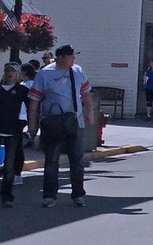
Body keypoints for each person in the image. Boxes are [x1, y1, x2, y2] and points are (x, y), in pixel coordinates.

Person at [27, 44, 93, 208]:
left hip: (74, 122)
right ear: (61, 57)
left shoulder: (77, 70)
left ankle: (78, 194)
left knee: (77, 160)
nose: (74, 59)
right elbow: (34, 101)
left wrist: (90, 112)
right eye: (71, 56)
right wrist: (32, 125)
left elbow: (86, 93)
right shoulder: (44, 74)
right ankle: (50, 196)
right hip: (53, 123)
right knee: (51, 160)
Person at [1, 62, 30, 207]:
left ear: (17, 74)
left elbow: (31, 110)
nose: (9, 74)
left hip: (13, 132)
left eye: (12, 71)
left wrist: (30, 128)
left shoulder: (22, 90)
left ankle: (6, 196)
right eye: (7, 71)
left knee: (9, 165)